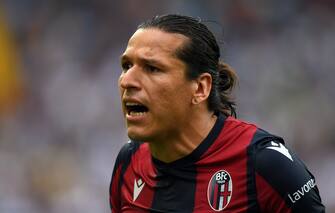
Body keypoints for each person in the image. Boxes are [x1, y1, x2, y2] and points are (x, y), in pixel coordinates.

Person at [109, 14, 325, 212]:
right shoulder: (129, 162)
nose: (127, 80)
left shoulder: (264, 164)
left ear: (201, 88)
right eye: (126, 66)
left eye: (152, 68)